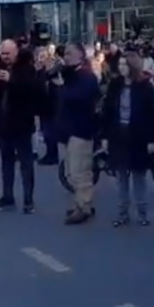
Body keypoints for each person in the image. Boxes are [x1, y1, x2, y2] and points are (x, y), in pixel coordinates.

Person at [101, 52, 154, 227]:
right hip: (118, 134)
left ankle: (142, 213)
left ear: (133, 66)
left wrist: (152, 140)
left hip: (138, 136)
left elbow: (153, 115)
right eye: (120, 64)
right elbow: (107, 111)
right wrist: (104, 136)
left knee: (139, 176)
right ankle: (122, 214)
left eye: (125, 64)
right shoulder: (115, 85)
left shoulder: (144, 86)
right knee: (121, 177)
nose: (121, 67)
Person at [0, 40, 42, 214]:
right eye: (2, 53)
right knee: (6, 162)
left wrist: (12, 80)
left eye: (8, 53)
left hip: (21, 122)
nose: (5, 57)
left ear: (16, 52)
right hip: (2, 123)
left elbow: (34, 91)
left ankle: (28, 199)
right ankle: (7, 197)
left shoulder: (26, 68)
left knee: (26, 162)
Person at [54, 43, 101, 225]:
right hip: (69, 130)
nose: (66, 57)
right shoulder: (71, 75)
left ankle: (84, 206)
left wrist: (62, 88)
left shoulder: (86, 76)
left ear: (81, 56)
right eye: (65, 54)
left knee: (80, 171)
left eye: (70, 54)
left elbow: (79, 97)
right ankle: (82, 204)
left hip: (81, 129)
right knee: (71, 172)